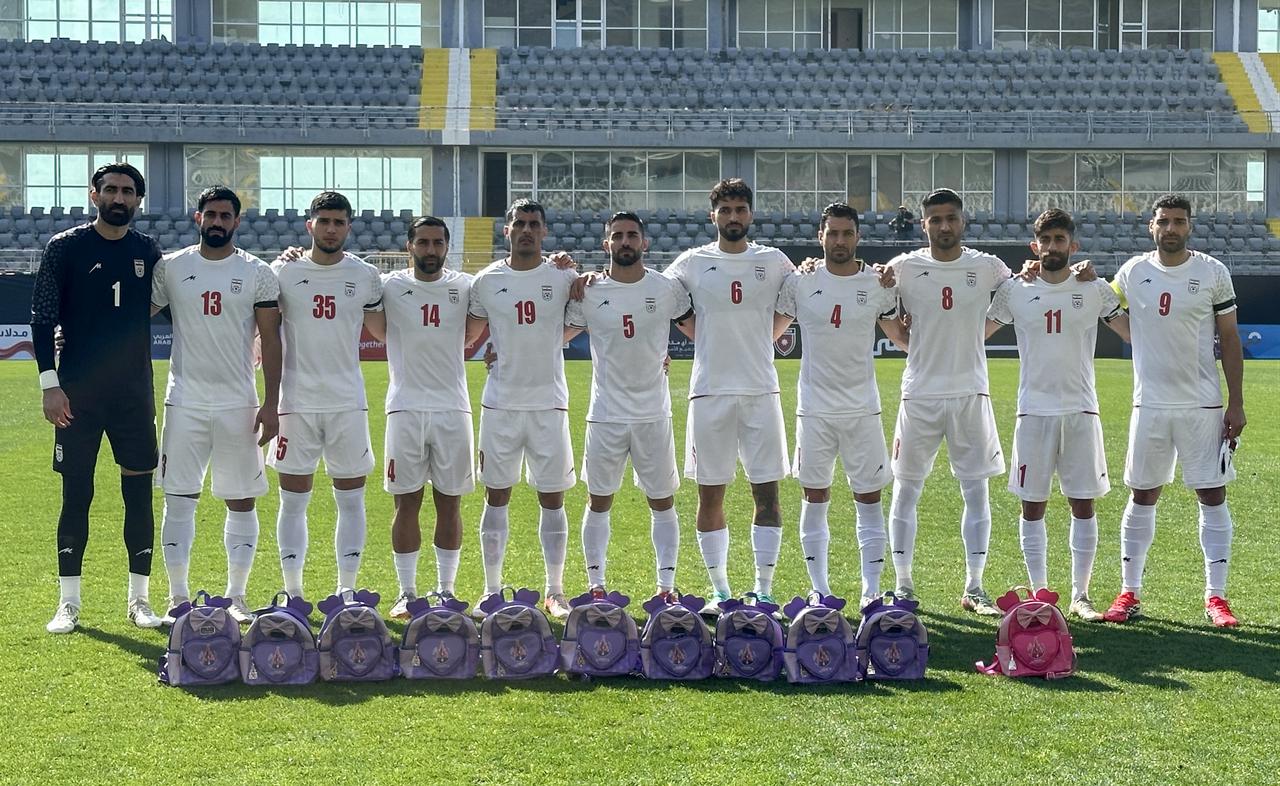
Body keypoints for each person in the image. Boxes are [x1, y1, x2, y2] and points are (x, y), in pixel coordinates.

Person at [32, 162, 164, 633]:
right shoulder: (65, 247)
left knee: (138, 496)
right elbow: (43, 319)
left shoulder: (148, 250)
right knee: (77, 493)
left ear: (138, 200)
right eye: (110, 189)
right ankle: (68, 602)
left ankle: (140, 600)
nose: (119, 197)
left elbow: (180, 290)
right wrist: (51, 383)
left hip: (132, 395)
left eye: (128, 191)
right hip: (76, 396)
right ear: (94, 195)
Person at [1103, 193, 1246, 627]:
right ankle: (1129, 592)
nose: (1171, 228)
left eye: (1178, 221)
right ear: (1152, 226)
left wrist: (1236, 402)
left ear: (1189, 226)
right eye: (1163, 221)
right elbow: (1102, 303)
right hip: (1149, 404)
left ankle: (1216, 598)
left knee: (1212, 494)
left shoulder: (1212, 272)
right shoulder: (1132, 271)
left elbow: (1231, 338)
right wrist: (1134, 336)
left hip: (1202, 403)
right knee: (1142, 494)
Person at [985, 208, 1129, 621]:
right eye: (1045, 241)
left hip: (1082, 410)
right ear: (1035, 246)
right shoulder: (1016, 290)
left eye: (1059, 240)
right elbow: (977, 332)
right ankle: (1040, 593)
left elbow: (1133, 332)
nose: (1052, 247)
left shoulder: (1095, 289)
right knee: (1033, 506)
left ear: (1073, 246)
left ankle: (1081, 596)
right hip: (1033, 412)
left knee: (1083, 504)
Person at [149, 185, 281, 625]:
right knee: (178, 498)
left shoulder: (257, 272)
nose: (218, 222)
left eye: (226, 215)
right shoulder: (171, 268)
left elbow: (272, 339)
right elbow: (132, 318)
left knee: (242, 500)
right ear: (197, 217)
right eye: (211, 214)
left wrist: (271, 403)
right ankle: (178, 596)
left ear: (237, 222)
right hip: (184, 401)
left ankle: (237, 596)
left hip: (238, 403)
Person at [665, 178, 795, 617]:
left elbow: (797, 301)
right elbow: (656, 300)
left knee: (768, 496)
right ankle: (720, 590)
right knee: (710, 496)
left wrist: (764, 338)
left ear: (750, 214)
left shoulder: (774, 262)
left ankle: (765, 589)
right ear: (713, 216)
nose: (733, 217)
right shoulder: (690, 263)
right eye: (726, 211)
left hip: (761, 390)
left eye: (740, 209)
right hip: (710, 393)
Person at [884, 188, 1011, 616]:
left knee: (976, 492)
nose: (943, 226)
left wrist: (977, 336)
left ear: (962, 221)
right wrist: (903, 339)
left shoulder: (989, 267)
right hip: (919, 394)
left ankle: (974, 587)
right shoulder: (903, 268)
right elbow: (877, 304)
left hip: (970, 395)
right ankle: (903, 585)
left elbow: (1025, 296)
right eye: (935, 219)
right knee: (906, 490)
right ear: (923, 225)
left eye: (951, 218)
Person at [776, 203, 904, 605]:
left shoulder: (879, 285)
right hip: (814, 410)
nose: (840, 240)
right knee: (814, 497)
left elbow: (901, 336)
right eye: (832, 233)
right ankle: (820, 589)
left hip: (862, 410)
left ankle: (871, 591)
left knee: (868, 499)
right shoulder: (800, 282)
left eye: (847, 233)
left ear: (858, 238)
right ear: (821, 237)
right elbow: (764, 334)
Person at [563, 211, 691, 600]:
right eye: (617, 236)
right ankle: (596, 585)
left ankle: (665, 587)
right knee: (598, 500)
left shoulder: (668, 288)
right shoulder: (589, 291)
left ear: (644, 243)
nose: (625, 242)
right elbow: (554, 335)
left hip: (654, 412)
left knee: (662, 500)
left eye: (632, 235)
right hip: (606, 414)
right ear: (606, 244)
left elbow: (701, 329)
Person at [466, 199, 579, 620]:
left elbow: (582, 317)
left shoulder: (563, 275)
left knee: (553, 498)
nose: (527, 230)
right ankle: (492, 590)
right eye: (520, 224)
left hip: (549, 404)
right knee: (496, 497)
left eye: (534, 224)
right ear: (506, 231)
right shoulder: (486, 281)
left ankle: (556, 591)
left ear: (544, 232)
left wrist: (553, 341)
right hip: (501, 404)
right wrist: (488, 353)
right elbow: (469, 334)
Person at [268, 191, 383, 601]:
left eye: (339, 222)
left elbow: (390, 326)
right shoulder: (282, 272)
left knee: (351, 500)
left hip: (347, 402)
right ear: (309, 225)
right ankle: (293, 593)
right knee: (293, 501)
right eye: (324, 221)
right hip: (295, 401)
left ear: (348, 227)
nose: (331, 228)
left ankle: (346, 592)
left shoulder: (367, 276)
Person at [363, 216, 477, 619]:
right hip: (405, 408)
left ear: (447, 246)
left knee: (450, 504)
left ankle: (446, 590)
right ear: (409, 247)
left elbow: (477, 329)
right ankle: (408, 593)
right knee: (406, 502)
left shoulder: (465, 286)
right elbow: (376, 329)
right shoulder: (388, 286)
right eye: (423, 243)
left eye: (437, 243)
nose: (431, 250)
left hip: (453, 409)